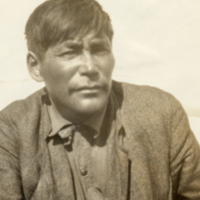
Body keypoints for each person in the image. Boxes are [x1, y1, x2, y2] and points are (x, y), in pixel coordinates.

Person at [0, 0, 200, 199]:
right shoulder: (11, 130)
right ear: (35, 66)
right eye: (70, 53)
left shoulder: (161, 112)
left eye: (99, 50)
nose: (90, 67)